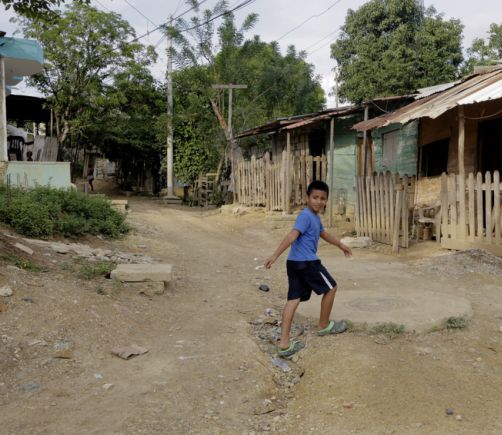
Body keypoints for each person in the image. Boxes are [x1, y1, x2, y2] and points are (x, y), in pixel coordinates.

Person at [264, 180, 352, 357]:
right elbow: (292, 235)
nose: (318, 201)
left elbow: (323, 233)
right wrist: (274, 255)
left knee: (293, 299)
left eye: (322, 198)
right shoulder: (305, 216)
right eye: (315, 197)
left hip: (294, 263)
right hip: (307, 263)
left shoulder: (315, 218)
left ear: (326, 200)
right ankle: (324, 325)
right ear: (307, 198)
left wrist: (340, 245)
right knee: (331, 288)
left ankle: (284, 343)